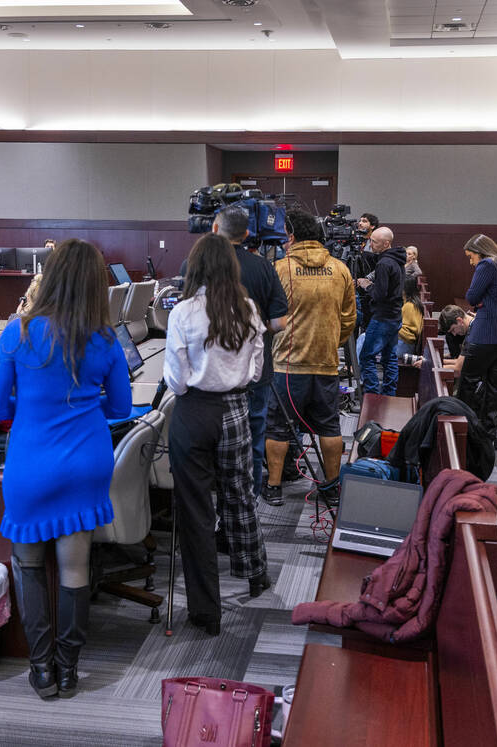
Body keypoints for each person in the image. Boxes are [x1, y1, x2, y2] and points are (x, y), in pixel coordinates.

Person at [0, 239, 132, 700]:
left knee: (28, 565)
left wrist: (30, 399)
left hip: (32, 461)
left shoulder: (18, 333)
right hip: (87, 461)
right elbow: (121, 408)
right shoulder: (105, 339)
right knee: (74, 569)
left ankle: (41, 668)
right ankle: (69, 669)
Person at [164, 233, 269, 636]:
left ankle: (207, 612)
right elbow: (257, 371)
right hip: (236, 410)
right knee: (239, 495)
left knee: (196, 512)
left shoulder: (183, 313)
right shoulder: (248, 308)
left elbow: (176, 380)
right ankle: (255, 573)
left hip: (194, 414)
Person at [264, 209, 356, 506]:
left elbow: (268, 317)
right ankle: (330, 488)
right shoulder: (340, 269)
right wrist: (330, 343)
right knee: (329, 427)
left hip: (288, 366)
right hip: (327, 364)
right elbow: (349, 319)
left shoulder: (280, 268)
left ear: (290, 236)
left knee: (278, 427)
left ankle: (274, 487)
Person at [210, 208, 288, 504]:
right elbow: (280, 323)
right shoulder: (263, 266)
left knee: (213, 443)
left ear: (215, 228)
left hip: (210, 373)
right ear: (247, 234)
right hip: (255, 370)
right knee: (254, 438)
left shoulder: (197, 265)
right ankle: (249, 502)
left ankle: (218, 508)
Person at [455, 234, 497, 437]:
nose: (471, 262)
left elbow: (472, 296)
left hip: (490, 332)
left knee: (468, 379)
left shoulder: (486, 265)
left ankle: (462, 426)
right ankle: (489, 430)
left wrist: (480, 301)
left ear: (480, 252)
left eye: (471, 256)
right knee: (494, 382)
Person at [357, 227, 406, 395]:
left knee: (366, 357)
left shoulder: (384, 263)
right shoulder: (398, 258)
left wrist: (366, 285)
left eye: (375, 242)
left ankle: (372, 395)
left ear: (386, 243)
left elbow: (379, 294)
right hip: (395, 315)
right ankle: (389, 395)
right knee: (389, 358)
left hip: (383, 316)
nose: (371, 244)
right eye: (371, 240)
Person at [393, 274, 424, 360]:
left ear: (404, 289)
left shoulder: (409, 306)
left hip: (404, 347)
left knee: (364, 339)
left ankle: (357, 370)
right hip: (404, 344)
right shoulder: (411, 304)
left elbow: (409, 336)